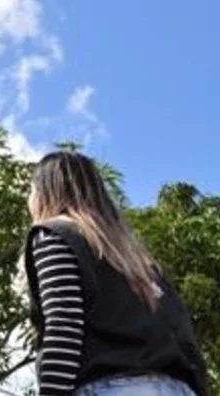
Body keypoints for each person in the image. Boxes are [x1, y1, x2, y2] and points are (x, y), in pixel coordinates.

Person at [24, 151, 208, 396]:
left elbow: (64, 327)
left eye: (31, 190)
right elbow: (184, 337)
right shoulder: (138, 261)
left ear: (46, 192)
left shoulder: (55, 235)